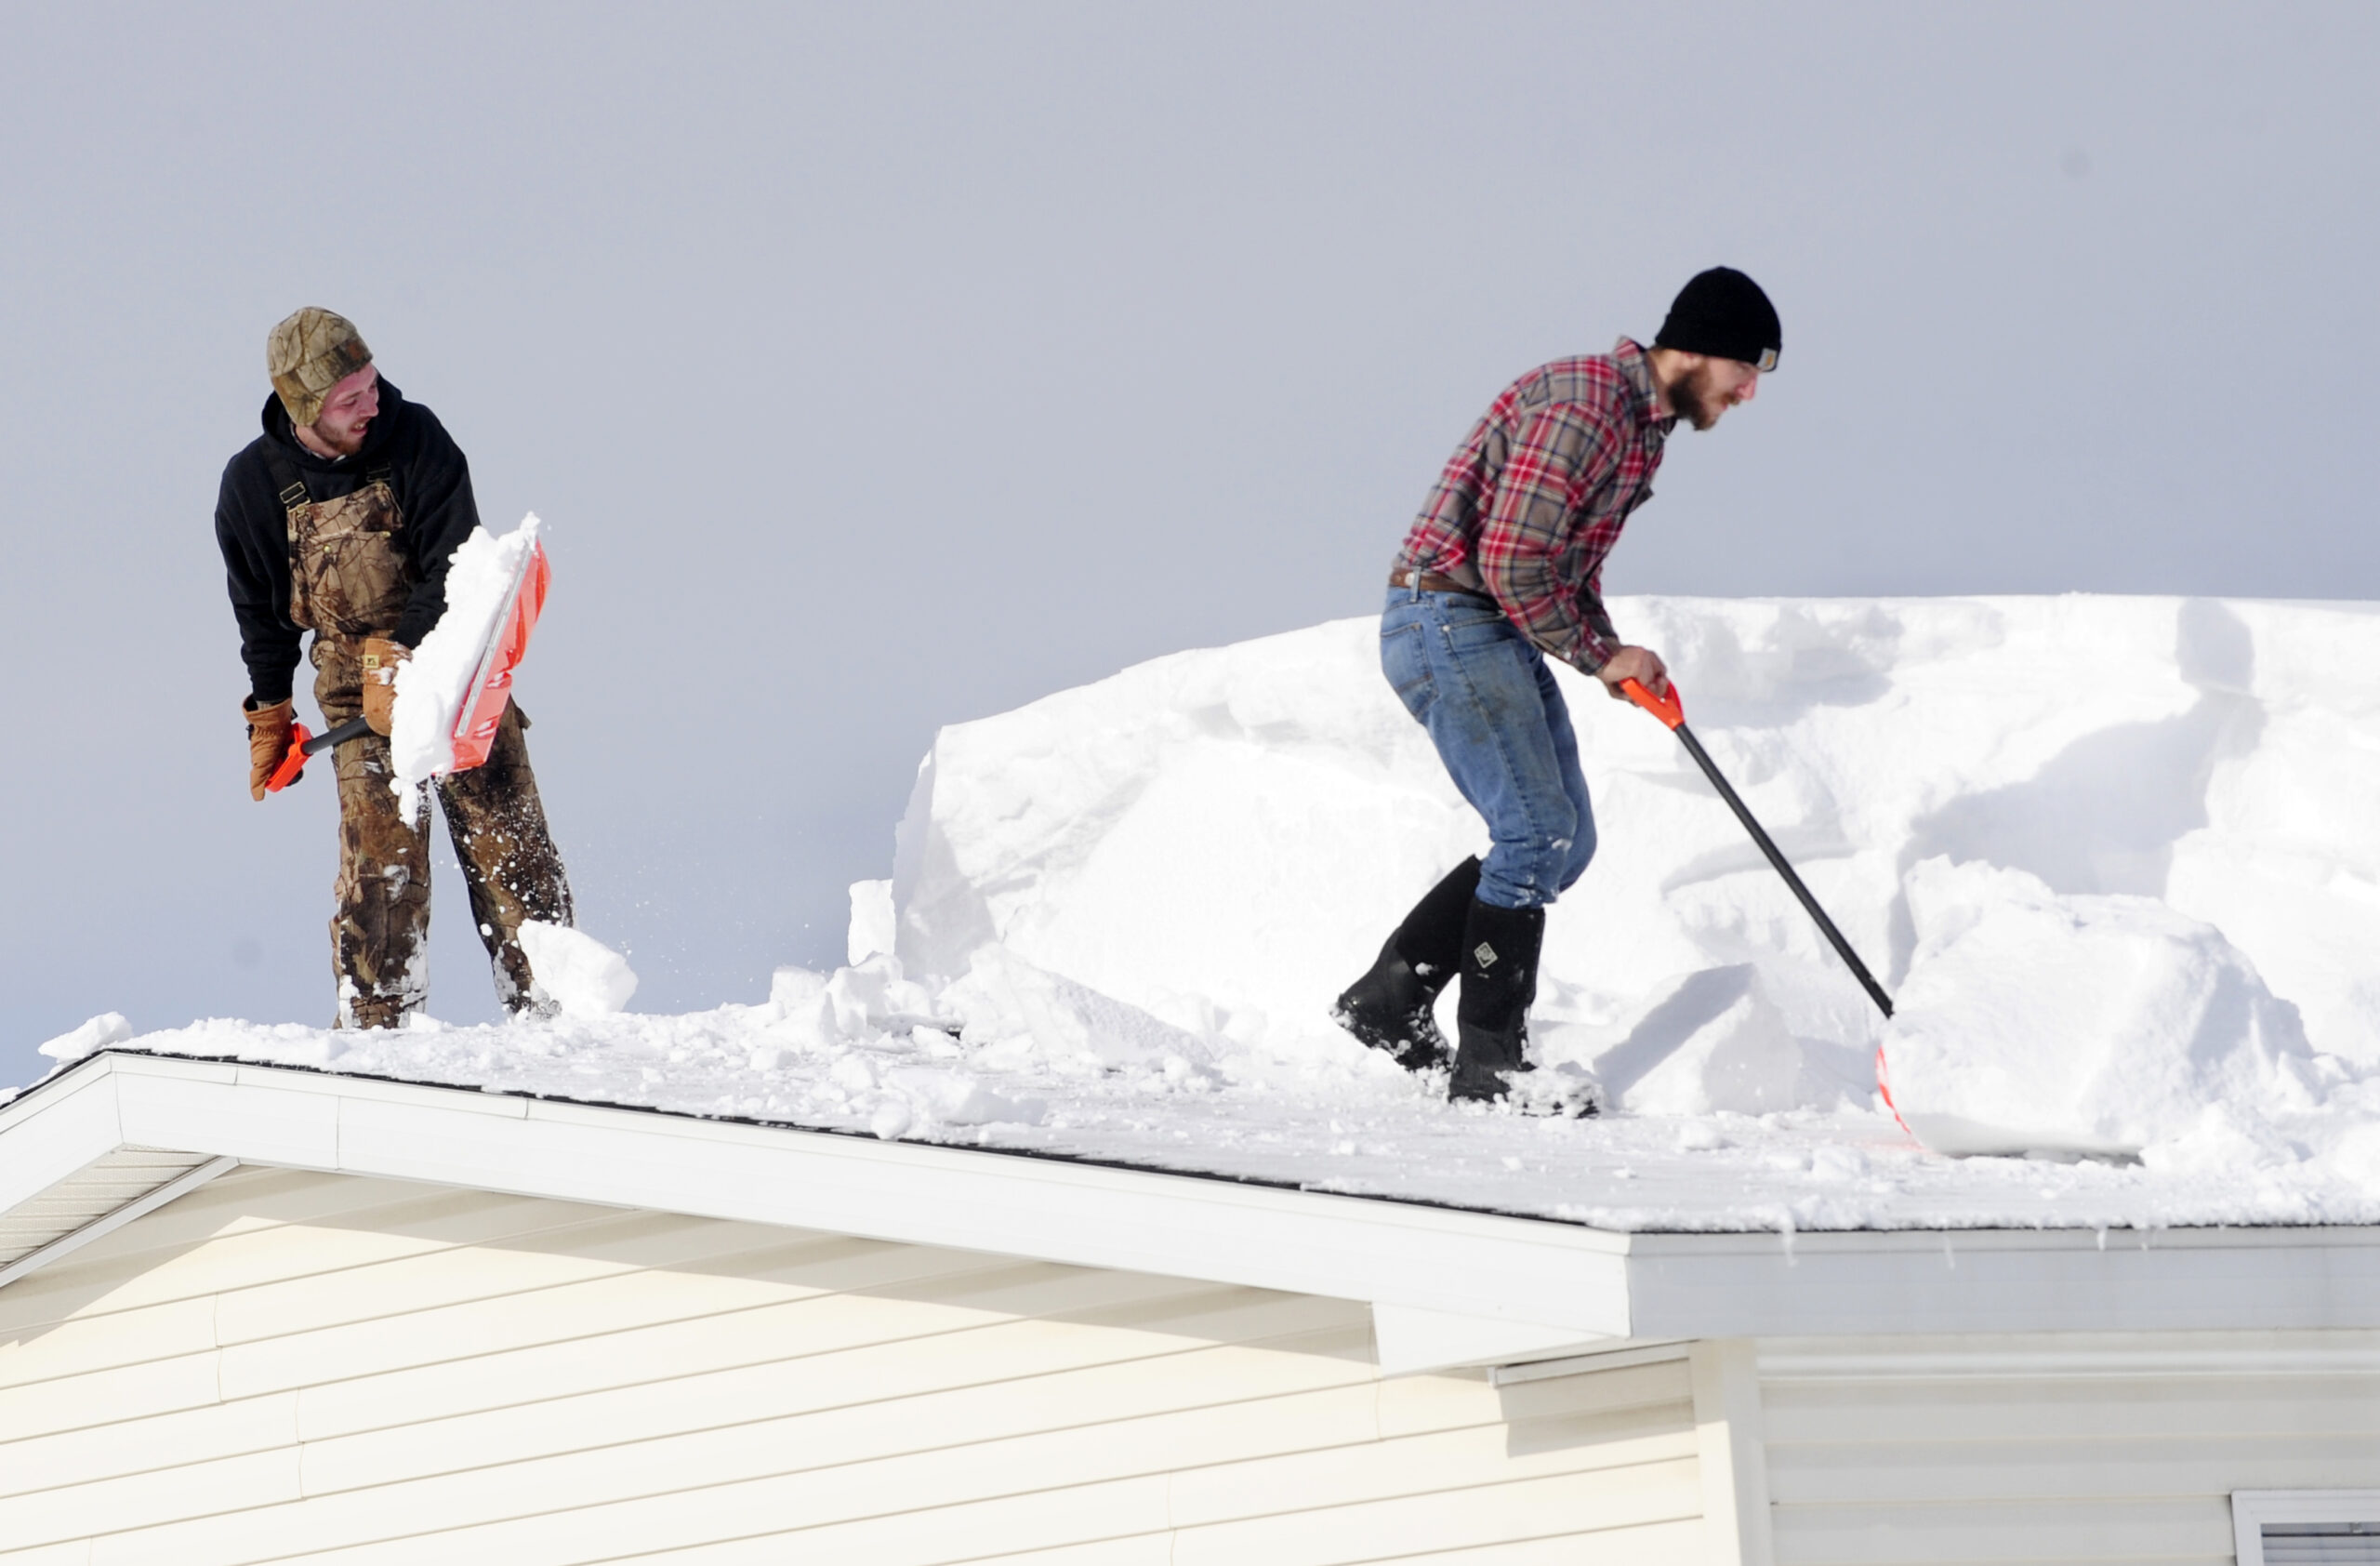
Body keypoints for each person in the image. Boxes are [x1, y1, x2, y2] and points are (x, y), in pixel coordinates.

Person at [1333, 268, 1780, 1105]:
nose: (1750, 393)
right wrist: (1593, 654)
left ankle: (1390, 999)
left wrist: (1606, 651)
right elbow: (1509, 559)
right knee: (1534, 833)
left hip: (1487, 626)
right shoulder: (1587, 405)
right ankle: (1489, 1066)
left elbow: (1560, 565)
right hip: (1451, 619)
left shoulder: (1641, 427)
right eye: (1746, 371)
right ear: (1696, 348)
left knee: (1560, 846)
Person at [218, 307, 573, 1029]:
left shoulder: (416, 436)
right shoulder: (253, 486)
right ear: (303, 408)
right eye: (350, 399)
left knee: (515, 859)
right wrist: (270, 710)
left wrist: (403, 652)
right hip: (353, 696)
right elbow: (260, 610)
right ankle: (379, 1046)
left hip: (455, 668)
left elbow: (457, 560)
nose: (372, 405)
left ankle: (558, 1019)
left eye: (371, 384)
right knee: (379, 881)